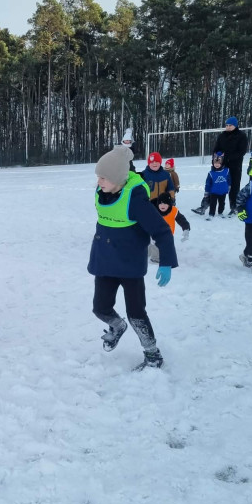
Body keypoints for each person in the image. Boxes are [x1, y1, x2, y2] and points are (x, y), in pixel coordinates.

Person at [88, 147, 178, 371]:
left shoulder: (135, 200)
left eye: (104, 178)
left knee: (136, 313)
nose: (99, 182)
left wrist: (166, 261)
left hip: (130, 265)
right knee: (100, 308)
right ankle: (117, 326)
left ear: (118, 178)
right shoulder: (102, 192)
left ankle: (152, 355)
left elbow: (162, 231)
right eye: (98, 177)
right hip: (105, 260)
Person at [213, 116, 248, 215]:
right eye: (227, 125)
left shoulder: (241, 136)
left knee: (234, 187)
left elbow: (241, 151)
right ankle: (205, 205)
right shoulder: (222, 136)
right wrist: (216, 160)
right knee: (215, 184)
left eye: (230, 125)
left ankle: (234, 207)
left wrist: (228, 157)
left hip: (235, 166)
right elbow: (216, 149)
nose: (228, 127)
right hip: (220, 165)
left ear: (235, 125)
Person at [148, 192, 190, 263]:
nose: (162, 205)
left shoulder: (174, 211)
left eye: (165, 203)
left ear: (169, 204)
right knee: (153, 245)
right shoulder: (153, 211)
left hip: (168, 234)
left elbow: (182, 220)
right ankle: (154, 258)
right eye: (160, 203)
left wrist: (186, 229)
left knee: (166, 246)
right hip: (155, 233)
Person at [204, 152, 231, 220]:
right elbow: (208, 183)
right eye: (215, 163)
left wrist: (229, 186)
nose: (216, 165)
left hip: (223, 191)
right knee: (213, 203)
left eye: (218, 163)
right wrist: (207, 191)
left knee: (222, 203)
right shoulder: (211, 173)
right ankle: (211, 214)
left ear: (221, 163)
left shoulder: (226, 171)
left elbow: (229, 179)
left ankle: (220, 212)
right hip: (214, 192)